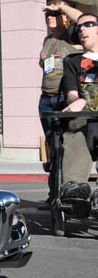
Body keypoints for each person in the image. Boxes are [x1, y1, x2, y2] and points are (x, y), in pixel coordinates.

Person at [57, 12, 98, 206]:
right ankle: (75, 187)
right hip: (83, 119)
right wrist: (77, 100)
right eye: (78, 26)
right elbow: (71, 93)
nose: (82, 29)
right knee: (74, 132)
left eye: (88, 24)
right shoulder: (72, 62)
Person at [39, 0, 82, 135]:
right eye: (48, 15)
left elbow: (83, 20)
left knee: (67, 140)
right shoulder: (47, 39)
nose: (49, 17)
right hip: (46, 98)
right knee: (51, 141)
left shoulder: (73, 35)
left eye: (54, 14)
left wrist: (61, 7)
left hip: (65, 97)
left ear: (65, 16)